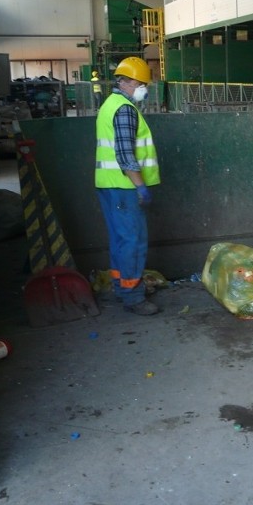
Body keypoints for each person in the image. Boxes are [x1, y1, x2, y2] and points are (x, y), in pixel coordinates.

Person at [94, 56, 160, 316]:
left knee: (121, 240)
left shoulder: (110, 104)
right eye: (143, 83)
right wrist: (141, 186)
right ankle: (133, 296)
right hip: (124, 188)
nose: (145, 88)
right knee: (133, 241)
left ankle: (122, 287)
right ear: (130, 82)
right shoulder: (124, 110)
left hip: (110, 187)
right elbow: (125, 154)